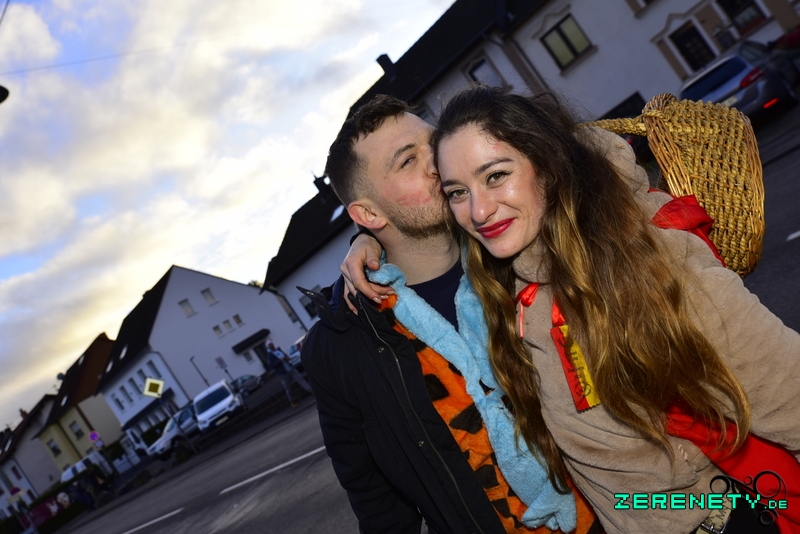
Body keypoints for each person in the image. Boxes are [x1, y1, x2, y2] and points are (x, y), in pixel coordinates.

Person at [344, 86, 800, 534]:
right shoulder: (506, 279)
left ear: (547, 166)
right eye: (458, 191)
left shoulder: (653, 263)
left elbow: (790, 398)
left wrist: (702, 511)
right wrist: (368, 241)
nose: (479, 210)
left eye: (496, 175)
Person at [301, 94, 601, 533]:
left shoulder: (521, 249)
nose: (437, 162)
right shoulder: (340, 345)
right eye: (408, 160)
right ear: (367, 213)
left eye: (432, 142)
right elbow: (375, 499)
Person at [263, 341, 312, 407]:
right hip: (283, 373)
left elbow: (286, 356)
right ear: (268, 347)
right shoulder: (270, 356)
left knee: (300, 379)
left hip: (290, 368)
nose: (271, 345)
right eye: (269, 345)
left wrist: (287, 358)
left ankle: (310, 390)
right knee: (288, 387)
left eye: (271, 344)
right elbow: (271, 365)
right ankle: (292, 401)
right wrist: (280, 360)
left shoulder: (278, 350)